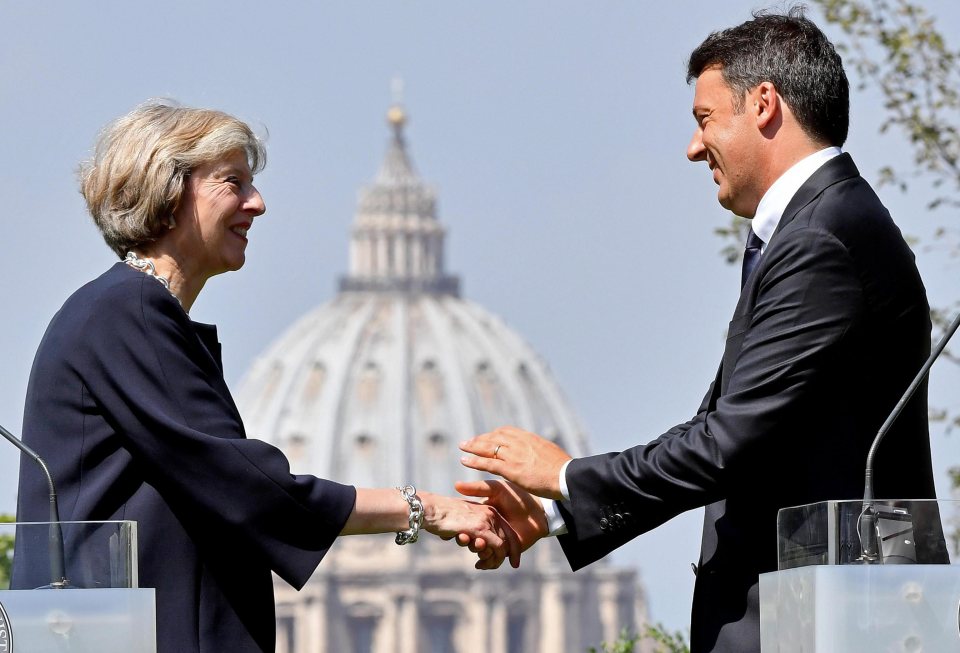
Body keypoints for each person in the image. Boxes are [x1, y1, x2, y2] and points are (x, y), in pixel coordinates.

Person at [457, 7, 941, 653]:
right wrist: (558, 513)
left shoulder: (821, 237)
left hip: (820, 617)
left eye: (705, 119)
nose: (693, 147)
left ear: (764, 104)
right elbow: (741, 431)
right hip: (817, 607)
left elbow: (728, 443)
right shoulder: (820, 225)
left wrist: (570, 475)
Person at [13, 100, 519, 653]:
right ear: (169, 190)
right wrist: (426, 506)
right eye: (233, 183)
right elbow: (245, 485)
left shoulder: (129, 311)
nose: (257, 203)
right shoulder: (128, 313)